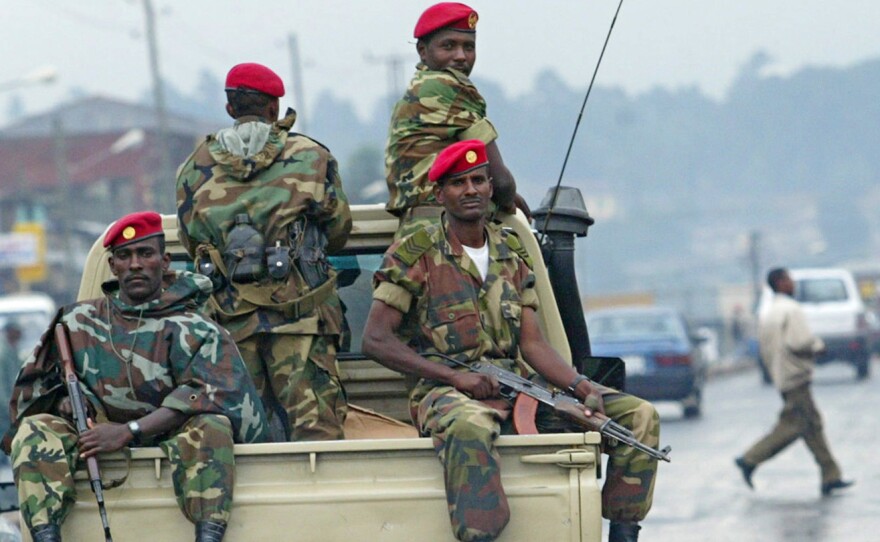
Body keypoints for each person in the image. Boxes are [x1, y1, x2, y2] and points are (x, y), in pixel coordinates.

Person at [363, 140, 659, 542]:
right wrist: (453, 378)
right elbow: (377, 340)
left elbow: (533, 344)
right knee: (469, 428)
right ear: (440, 194)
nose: (470, 190)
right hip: (444, 391)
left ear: (489, 187)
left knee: (638, 417)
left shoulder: (511, 250)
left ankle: (623, 533)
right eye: (458, 183)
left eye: (478, 180)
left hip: (519, 388)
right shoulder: (417, 251)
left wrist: (579, 385)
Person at [2, 211, 269, 542]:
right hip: (94, 440)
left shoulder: (196, 328)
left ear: (164, 260)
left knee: (211, 426)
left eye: (145, 254)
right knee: (34, 429)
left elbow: (212, 395)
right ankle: (46, 535)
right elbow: (33, 392)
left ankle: (209, 535)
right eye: (125, 256)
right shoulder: (76, 322)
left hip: (174, 438)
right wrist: (66, 404)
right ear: (113, 266)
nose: (135, 264)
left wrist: (128, 431)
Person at [176, 63, 352, 442]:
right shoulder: (311, 157)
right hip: (301, 318)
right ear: (274, 108)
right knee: (316, 431)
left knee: (240, 436)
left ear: (230, 110)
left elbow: (191, 242)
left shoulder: (193, 169)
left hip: (229, 325)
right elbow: (338, 232)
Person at [385, 2, 530, 239]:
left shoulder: (418, 87)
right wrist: (506, 197)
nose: (461, 56)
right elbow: (502, 183)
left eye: (469, 47)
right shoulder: (447, 86)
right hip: (447, 229)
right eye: (448, 46)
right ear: (423, 50)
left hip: (415, 231)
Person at [735, 267, 854, 496]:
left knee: (812, 426)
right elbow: (800, 341)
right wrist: (819, 347)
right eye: (789, 279)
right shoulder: (791, 309)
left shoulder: (770, 311)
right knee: (796, 426)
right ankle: (750, 459)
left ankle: (831, 474)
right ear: (780, 282)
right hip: (796, 377)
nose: (793, 283)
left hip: (783, 376)